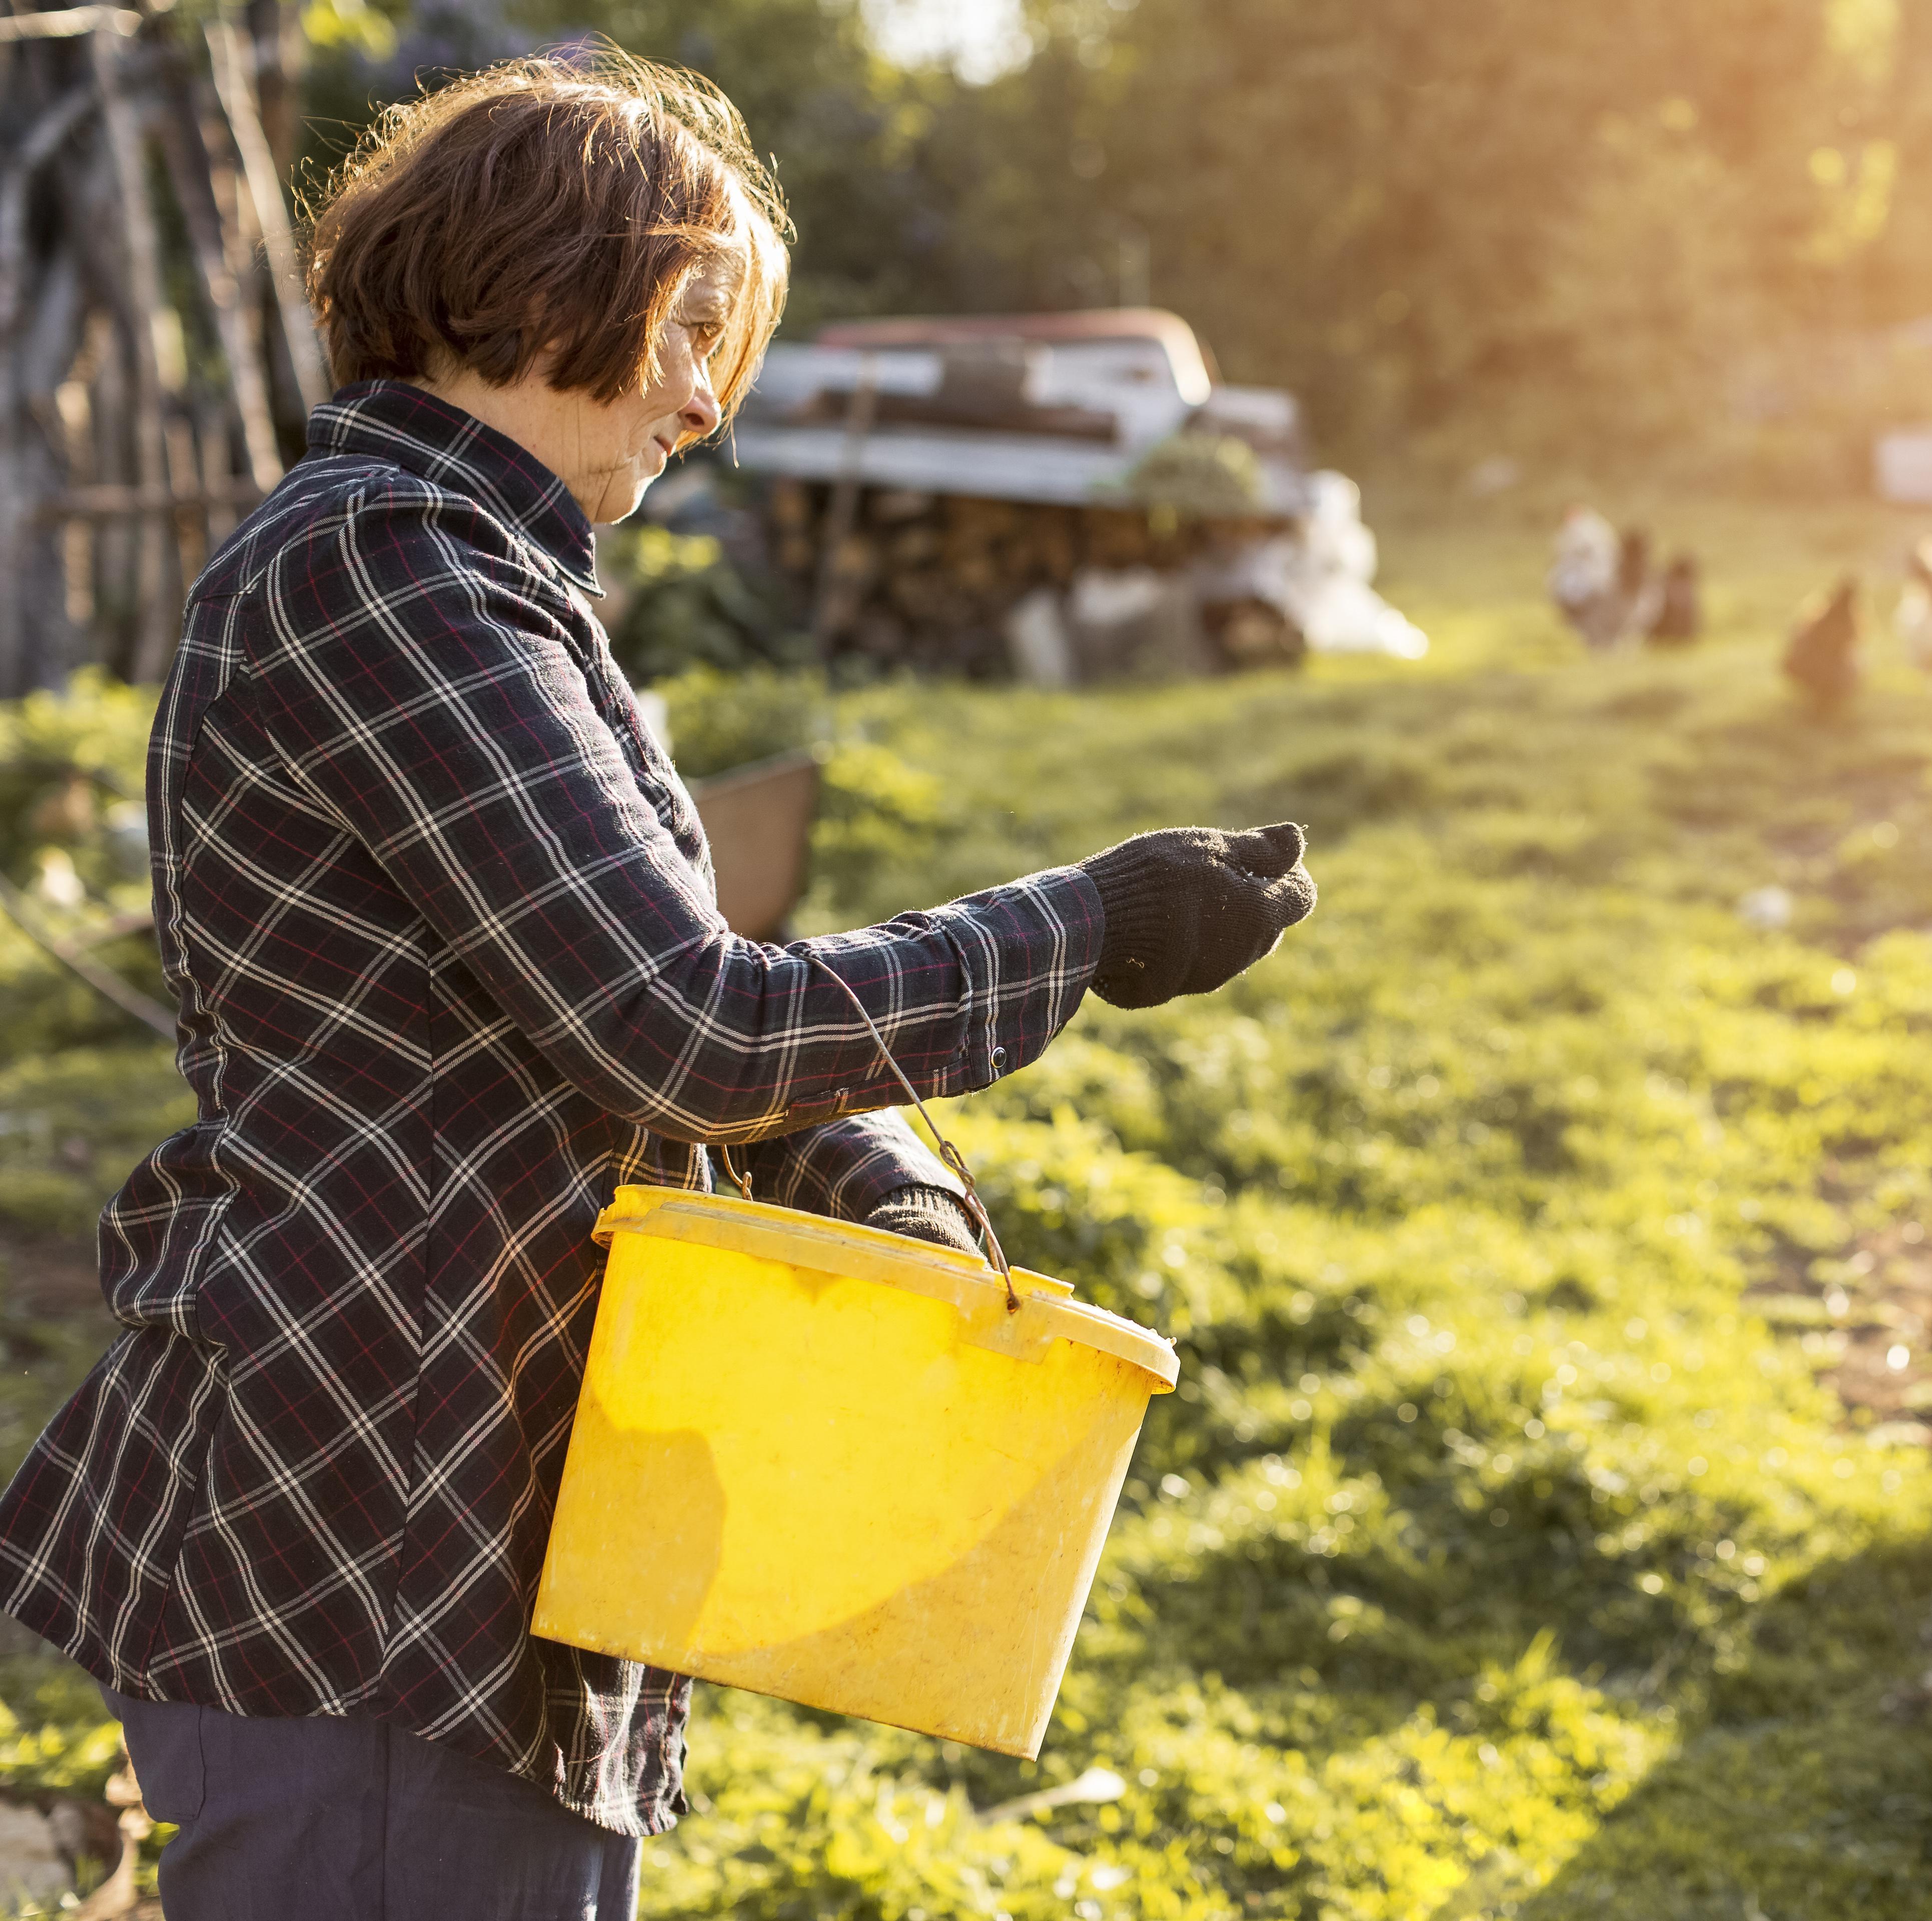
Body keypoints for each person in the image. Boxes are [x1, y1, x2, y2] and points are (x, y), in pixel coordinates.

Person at [0, 50, 1315, 1920]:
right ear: (535, 279)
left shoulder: (482, 586)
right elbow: (680, 1024)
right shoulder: (381, 579)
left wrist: (897, 1199)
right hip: (374, 1524)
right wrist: (1079, 930)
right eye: (690, 327)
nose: (707, 397)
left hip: (485, 1504)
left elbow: (619, 1021)